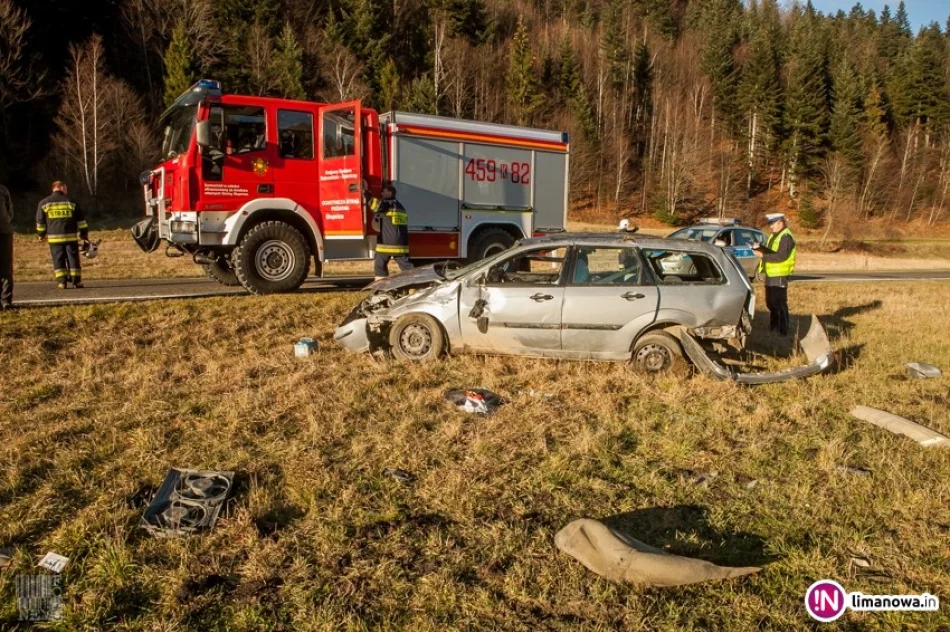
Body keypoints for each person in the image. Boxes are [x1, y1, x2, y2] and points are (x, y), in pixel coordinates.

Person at [36, 181, 89, 289]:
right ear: (61, 188)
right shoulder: (71, 202)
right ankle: (77, 282)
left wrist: (41, 234)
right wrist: (83, 233)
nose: (66, 190)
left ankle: (62, 282)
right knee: (73, 258)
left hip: (54, 239)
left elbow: (40, 221)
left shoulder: (44, 203)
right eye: (65, 188)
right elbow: (81, 220)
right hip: (70, 237)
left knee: (58, 259)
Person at [753, 212, 797, 336]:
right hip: (771, 273)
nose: (770, 226)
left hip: (779, 274)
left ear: (780, 222)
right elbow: (772, 252)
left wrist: (763, 255)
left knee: (779, 303)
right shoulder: (774, 236)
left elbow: (781, 256)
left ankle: (783, 330)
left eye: (772, 224)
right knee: (770, 302)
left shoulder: (786, 237)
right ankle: (773, 327)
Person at [373, 182, 412, 280]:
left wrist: (366, 192)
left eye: (384, 191)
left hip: (387, 244)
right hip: (401, 245)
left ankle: (381, 288)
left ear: (390, 193)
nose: (381, 193)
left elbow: (375, 205)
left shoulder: (387, 204)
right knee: (407, 267)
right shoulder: (400, 206)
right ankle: (414, 285)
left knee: (379, 265)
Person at [0, 183, 13, 309]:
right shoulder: (3, 189)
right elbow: (10, 212)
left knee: (6, 266)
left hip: (4, 231)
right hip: (4, 230)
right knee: (6, 266)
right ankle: (6, 299)